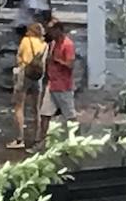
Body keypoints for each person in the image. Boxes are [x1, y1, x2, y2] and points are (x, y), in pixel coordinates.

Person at [8, 21, 47, 150]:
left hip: (25, 73)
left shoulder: (26, 41)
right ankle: (37, 137)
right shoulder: (44, 45)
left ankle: (20, 139)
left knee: (19, 106)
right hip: (38, 76)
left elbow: (19, 57)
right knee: (36, 108)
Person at [38, 20, 77, 143]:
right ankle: (42, 141)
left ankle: (75, 140)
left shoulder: (68, 45)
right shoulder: (53, 44)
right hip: (52, 84)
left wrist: (57, 60)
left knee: (70, 116)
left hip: (64, 86)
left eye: (52, 31)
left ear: (59, 30)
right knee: (45, 114)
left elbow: (70, 65)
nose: (50, 33)